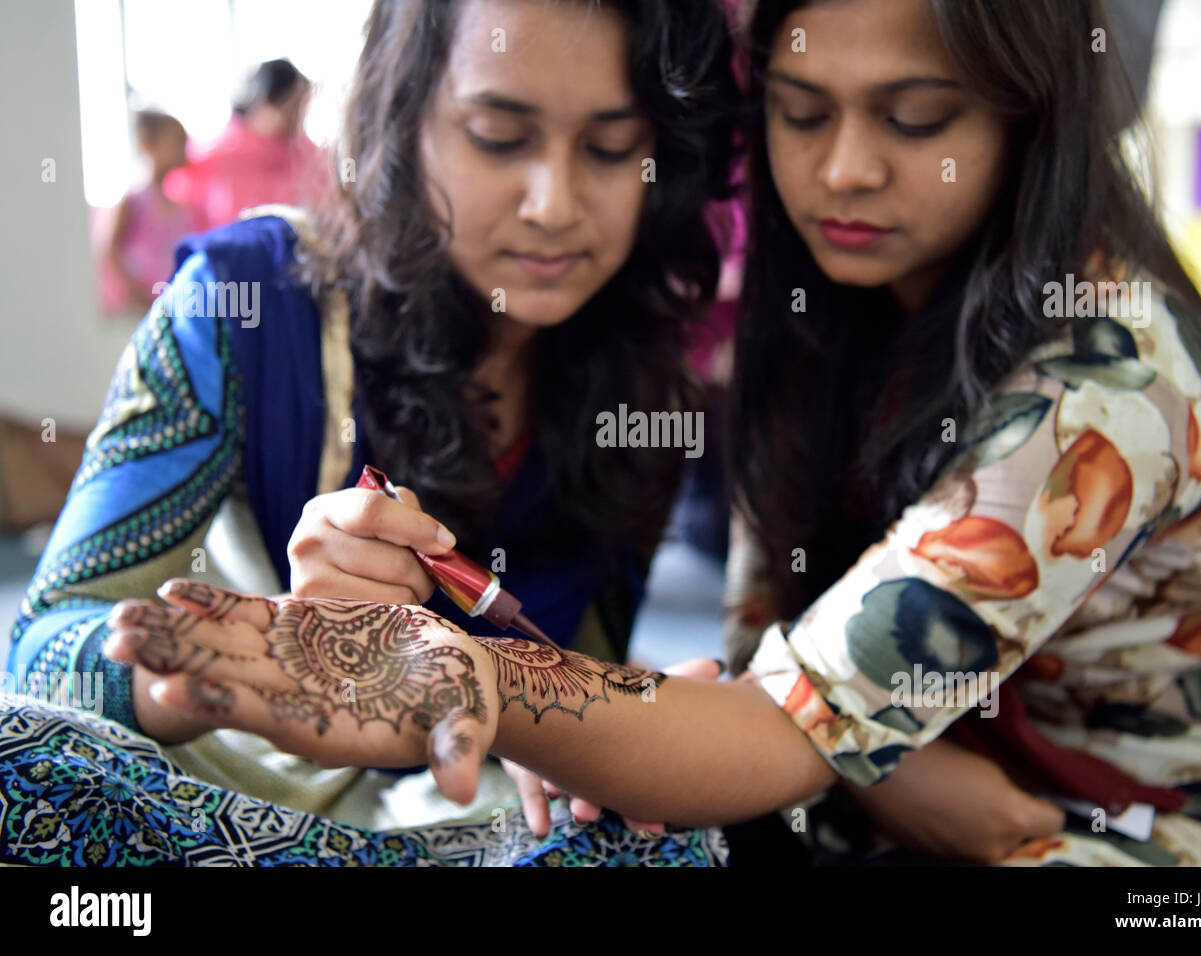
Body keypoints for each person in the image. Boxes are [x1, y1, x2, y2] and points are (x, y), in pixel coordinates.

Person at [104, 0, 1201, 868]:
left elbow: (740, 714)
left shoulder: (1094, 391)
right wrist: (173, 693)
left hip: (1138, 838)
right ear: (399, 115)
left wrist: (471, 672)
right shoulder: (238, 303)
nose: (843, 171)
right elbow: (756, 664)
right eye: (799, 113)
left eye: (915, 117)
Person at [3, 0, 736, 866]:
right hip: (220, 795)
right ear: (404, 120)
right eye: (500, 136)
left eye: (612, 148)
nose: (553, 204)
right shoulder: (243, 303)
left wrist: (608, 728)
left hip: (469, 818)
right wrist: (234, 672)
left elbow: (577, 675)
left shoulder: (647, 385)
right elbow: (39, 655)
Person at [164, 59, 331, 229]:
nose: (296, 118)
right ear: (266, 102)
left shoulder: (307, 153)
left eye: (301, 109)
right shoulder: (223, 154)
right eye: (291, 108)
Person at [95, 109, 203, 315]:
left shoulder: (184, 208)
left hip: (172, 308)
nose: (185, 148)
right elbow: (108, 251)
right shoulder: (132, 200)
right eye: (177, 140)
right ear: (148, 143)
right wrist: (136, 294)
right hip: (140, 312)